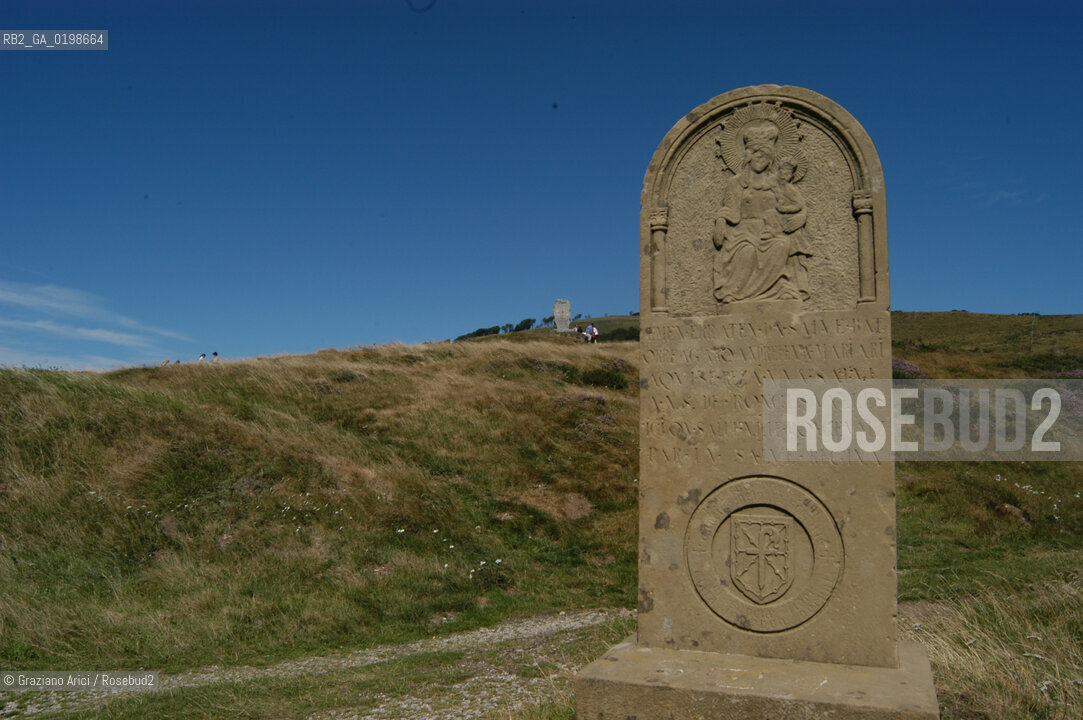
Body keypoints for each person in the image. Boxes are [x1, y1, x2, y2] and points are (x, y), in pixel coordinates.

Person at [713, 119, 811, 304]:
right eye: (757, 155)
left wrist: (800, 217)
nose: (761, 160)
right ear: (748, 156)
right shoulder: (736, 183)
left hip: (770, 231)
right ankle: (734, 293)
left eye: (765, 156)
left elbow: (797, 204)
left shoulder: (777, 183)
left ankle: (779, 288)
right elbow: (730, 211)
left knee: (782, 245)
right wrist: (720, 221)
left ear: (771, 159)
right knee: (748, 250)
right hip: (743, 232)